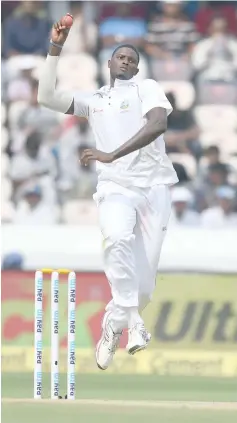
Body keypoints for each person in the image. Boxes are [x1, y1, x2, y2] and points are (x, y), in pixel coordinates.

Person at [38, 15, 178, 370]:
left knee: (144, 287)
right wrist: (56, 47)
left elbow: (158, 123)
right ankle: (133, 324)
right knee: (115, 237)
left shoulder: (147, 88)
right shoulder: (95, 100)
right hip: (115, 187)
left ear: (137, 66)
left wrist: (111, 153)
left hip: (154, 188)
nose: (127, 61)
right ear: (110, 63)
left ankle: (113, 324)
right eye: (121, 57)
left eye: (132, 58)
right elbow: (46, 97)